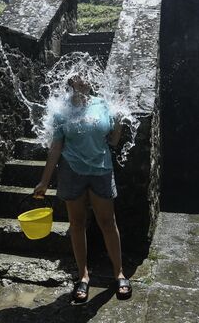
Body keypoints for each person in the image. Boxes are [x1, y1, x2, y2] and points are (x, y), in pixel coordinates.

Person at [33, 74, 130, 304]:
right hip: (71, 173)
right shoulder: (61, 110)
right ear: (71, 82)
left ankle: (119, 273)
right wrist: (44, 181)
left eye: (87, 78)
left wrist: (118, 117)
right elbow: (56, 148)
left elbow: (114, 141)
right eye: (78, 78)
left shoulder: (103, 104)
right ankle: (83, 276)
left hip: (101, 170)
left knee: (108, 223)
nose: (83, 81)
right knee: (77, 225)